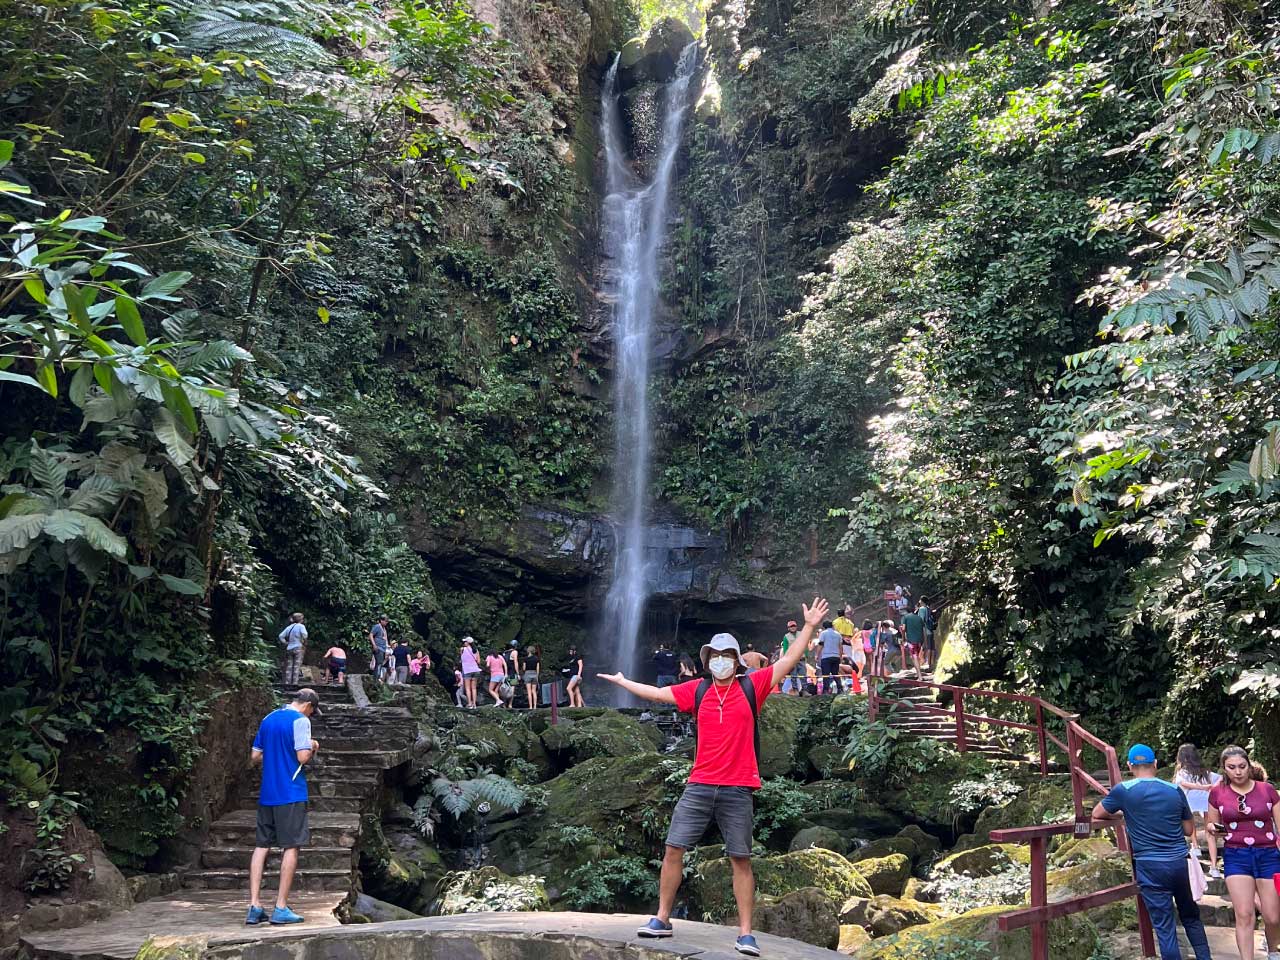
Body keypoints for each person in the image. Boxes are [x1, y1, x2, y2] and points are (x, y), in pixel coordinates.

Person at [597, 597, 829, 958]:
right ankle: (661, 918)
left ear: (737, 661)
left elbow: (790, 660)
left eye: (726, 655)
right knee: (674, 848)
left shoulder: (754, 687)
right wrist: (625, 682)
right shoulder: (699, 690)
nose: (719, 661)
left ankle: (746, 934)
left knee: (740, 859)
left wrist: (810, 627)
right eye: (714, 655)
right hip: (700, 784)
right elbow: (659, 693)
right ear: (707, 661)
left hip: (738, 787)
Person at [1092, 744, 1211, 960]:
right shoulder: (1174, 790)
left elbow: (1097, 813)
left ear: (1129, 765)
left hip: (1149, 865)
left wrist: (1125, 815)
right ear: (1155, 764)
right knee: (1191, 917)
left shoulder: (1124, 791)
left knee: (1165, 929)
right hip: (1178, 862)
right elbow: (1188, 829)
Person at [246, 688, 321, 926]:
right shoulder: (300, 721)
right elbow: (302, 757)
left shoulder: (269, 718)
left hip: (268, 792)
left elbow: (255, 756)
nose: (310, 714)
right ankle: (280, 907)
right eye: (312, 711)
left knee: (261, 846)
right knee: (291, 846)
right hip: (290, 792)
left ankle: (254, 905)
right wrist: (313, 745)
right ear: (307, 705)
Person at [1207, 745, 1280, 960]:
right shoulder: (1217, 792)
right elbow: (1211, 823)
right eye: (1232, 767)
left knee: (1273, 917)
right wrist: (1213, 828)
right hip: (1236, 854)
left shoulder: (1266, 790)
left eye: (1242, 766)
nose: (1238, 772)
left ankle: (1273, 949)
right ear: (1224, 769)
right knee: (1244, 914)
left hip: (1268, 854)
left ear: (1249, 766)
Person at [1174, 744, 1222, 879]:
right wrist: (1208, 787)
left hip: (1189, 801)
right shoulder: (1205, 772)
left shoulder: (1182, 772)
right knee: (1211, 834)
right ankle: (1214, 867)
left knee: (1191, 823)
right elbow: (1220, 778)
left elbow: (1182, 783)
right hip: (1207, 802)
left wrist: (1199, 787)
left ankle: (1195, 845)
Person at [813, 620, 843, 695]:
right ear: (832, 626)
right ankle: (840, 688)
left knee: (825, 674)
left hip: (826, 656)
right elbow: (840, 646)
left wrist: (817, 654)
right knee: (835, 673)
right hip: (836, 657)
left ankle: (825, 690)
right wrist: (840, 656)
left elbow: (821, 644)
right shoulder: (838, 634)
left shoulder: (823, 633)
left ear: (824, 627)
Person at [278, 613, 307, 686]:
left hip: (289, 648)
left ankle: (287, 683)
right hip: (298, 648)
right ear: (300, 619)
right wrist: (303, 640)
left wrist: (285, 643)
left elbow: (281, 636)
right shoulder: (301, 626)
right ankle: (294, 683)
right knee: (296, 666)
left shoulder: (289, 627)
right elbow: (305, 635)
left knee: (289, 666)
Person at [901, 605, 926, 677]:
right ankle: (917, 673)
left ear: (906, 611)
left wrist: (903, 639)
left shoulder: (905, 617)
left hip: (911, 641)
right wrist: (925, 641)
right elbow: (923, 629)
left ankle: (920, 676)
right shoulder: (919, 618)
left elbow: (903, 629)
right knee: (915, 656)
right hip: (920, 640)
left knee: (914, 656)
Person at [781, 619, 804, 695]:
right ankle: (795, 690)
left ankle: (804, 690)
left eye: (794, 626)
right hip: (792, 659)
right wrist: (787, 659)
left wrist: (806, 654)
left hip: (801, 658)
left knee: (803, 674)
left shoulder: (801, 634)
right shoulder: (786, 637)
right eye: (791, 626)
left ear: (796, 627)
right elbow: (785, 649)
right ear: (788, 628)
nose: (793, 627)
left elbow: (805, 644)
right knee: (793, 676)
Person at [459, 637, 481, 708]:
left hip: (467, 670)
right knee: (474, 688)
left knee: (467, 688)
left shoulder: (462, 649)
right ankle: (474, 704)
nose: (464, 643)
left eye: (465, 642)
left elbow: (461, 659)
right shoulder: (476, 650)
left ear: (468, 642)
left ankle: (469, 703)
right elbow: (478, 662)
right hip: (476, 670)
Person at [369, 616, 390, 682]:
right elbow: (371, 635)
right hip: (378, 647)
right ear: (381, 620)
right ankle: (376, 678)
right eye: (385, 621)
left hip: (383, 648)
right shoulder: (377, 627)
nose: (386, 622)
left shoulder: (384, 629)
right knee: (379, 662)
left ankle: (377, 677)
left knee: (381, 663)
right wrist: (374, 645)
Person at [523, 645, 541, 709]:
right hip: (534, 674)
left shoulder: (525, 659)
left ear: (528, 651)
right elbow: (538, 669)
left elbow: (524, 668)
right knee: (534, 691)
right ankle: (535, 706)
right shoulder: (536, 659)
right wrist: (537, 676)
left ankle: (530, 706)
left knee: (529, 691)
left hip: (527, 673)